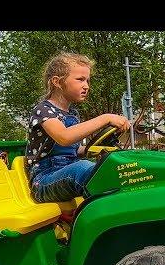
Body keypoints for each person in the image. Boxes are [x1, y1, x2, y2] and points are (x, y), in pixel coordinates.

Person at [26, 52, 130, 203]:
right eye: (80, 80)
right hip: (44, 179)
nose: (86, 86)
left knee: (110, 166)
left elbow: (73, 150)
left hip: (68, 170)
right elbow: (64, 137)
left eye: (88, 80)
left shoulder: (73, 114)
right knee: (83, 168)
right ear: (57, 82)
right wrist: (105, 117)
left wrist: (99, 149)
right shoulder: (43, 110)